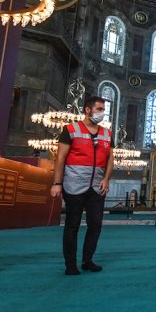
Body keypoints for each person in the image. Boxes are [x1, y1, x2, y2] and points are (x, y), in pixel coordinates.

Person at [51, 96, 112, 275]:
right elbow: (60, 157)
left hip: (97, 186)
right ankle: (70, 264)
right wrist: (57, 183)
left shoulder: (107, 133)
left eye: (103, 110)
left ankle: (87, 260)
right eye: (99, 109)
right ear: (87, 109)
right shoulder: (70, 129)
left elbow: (110, 158)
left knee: (96, 224)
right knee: (72, 224)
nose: (102, 113)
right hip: (74, 184)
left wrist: (106, 178)